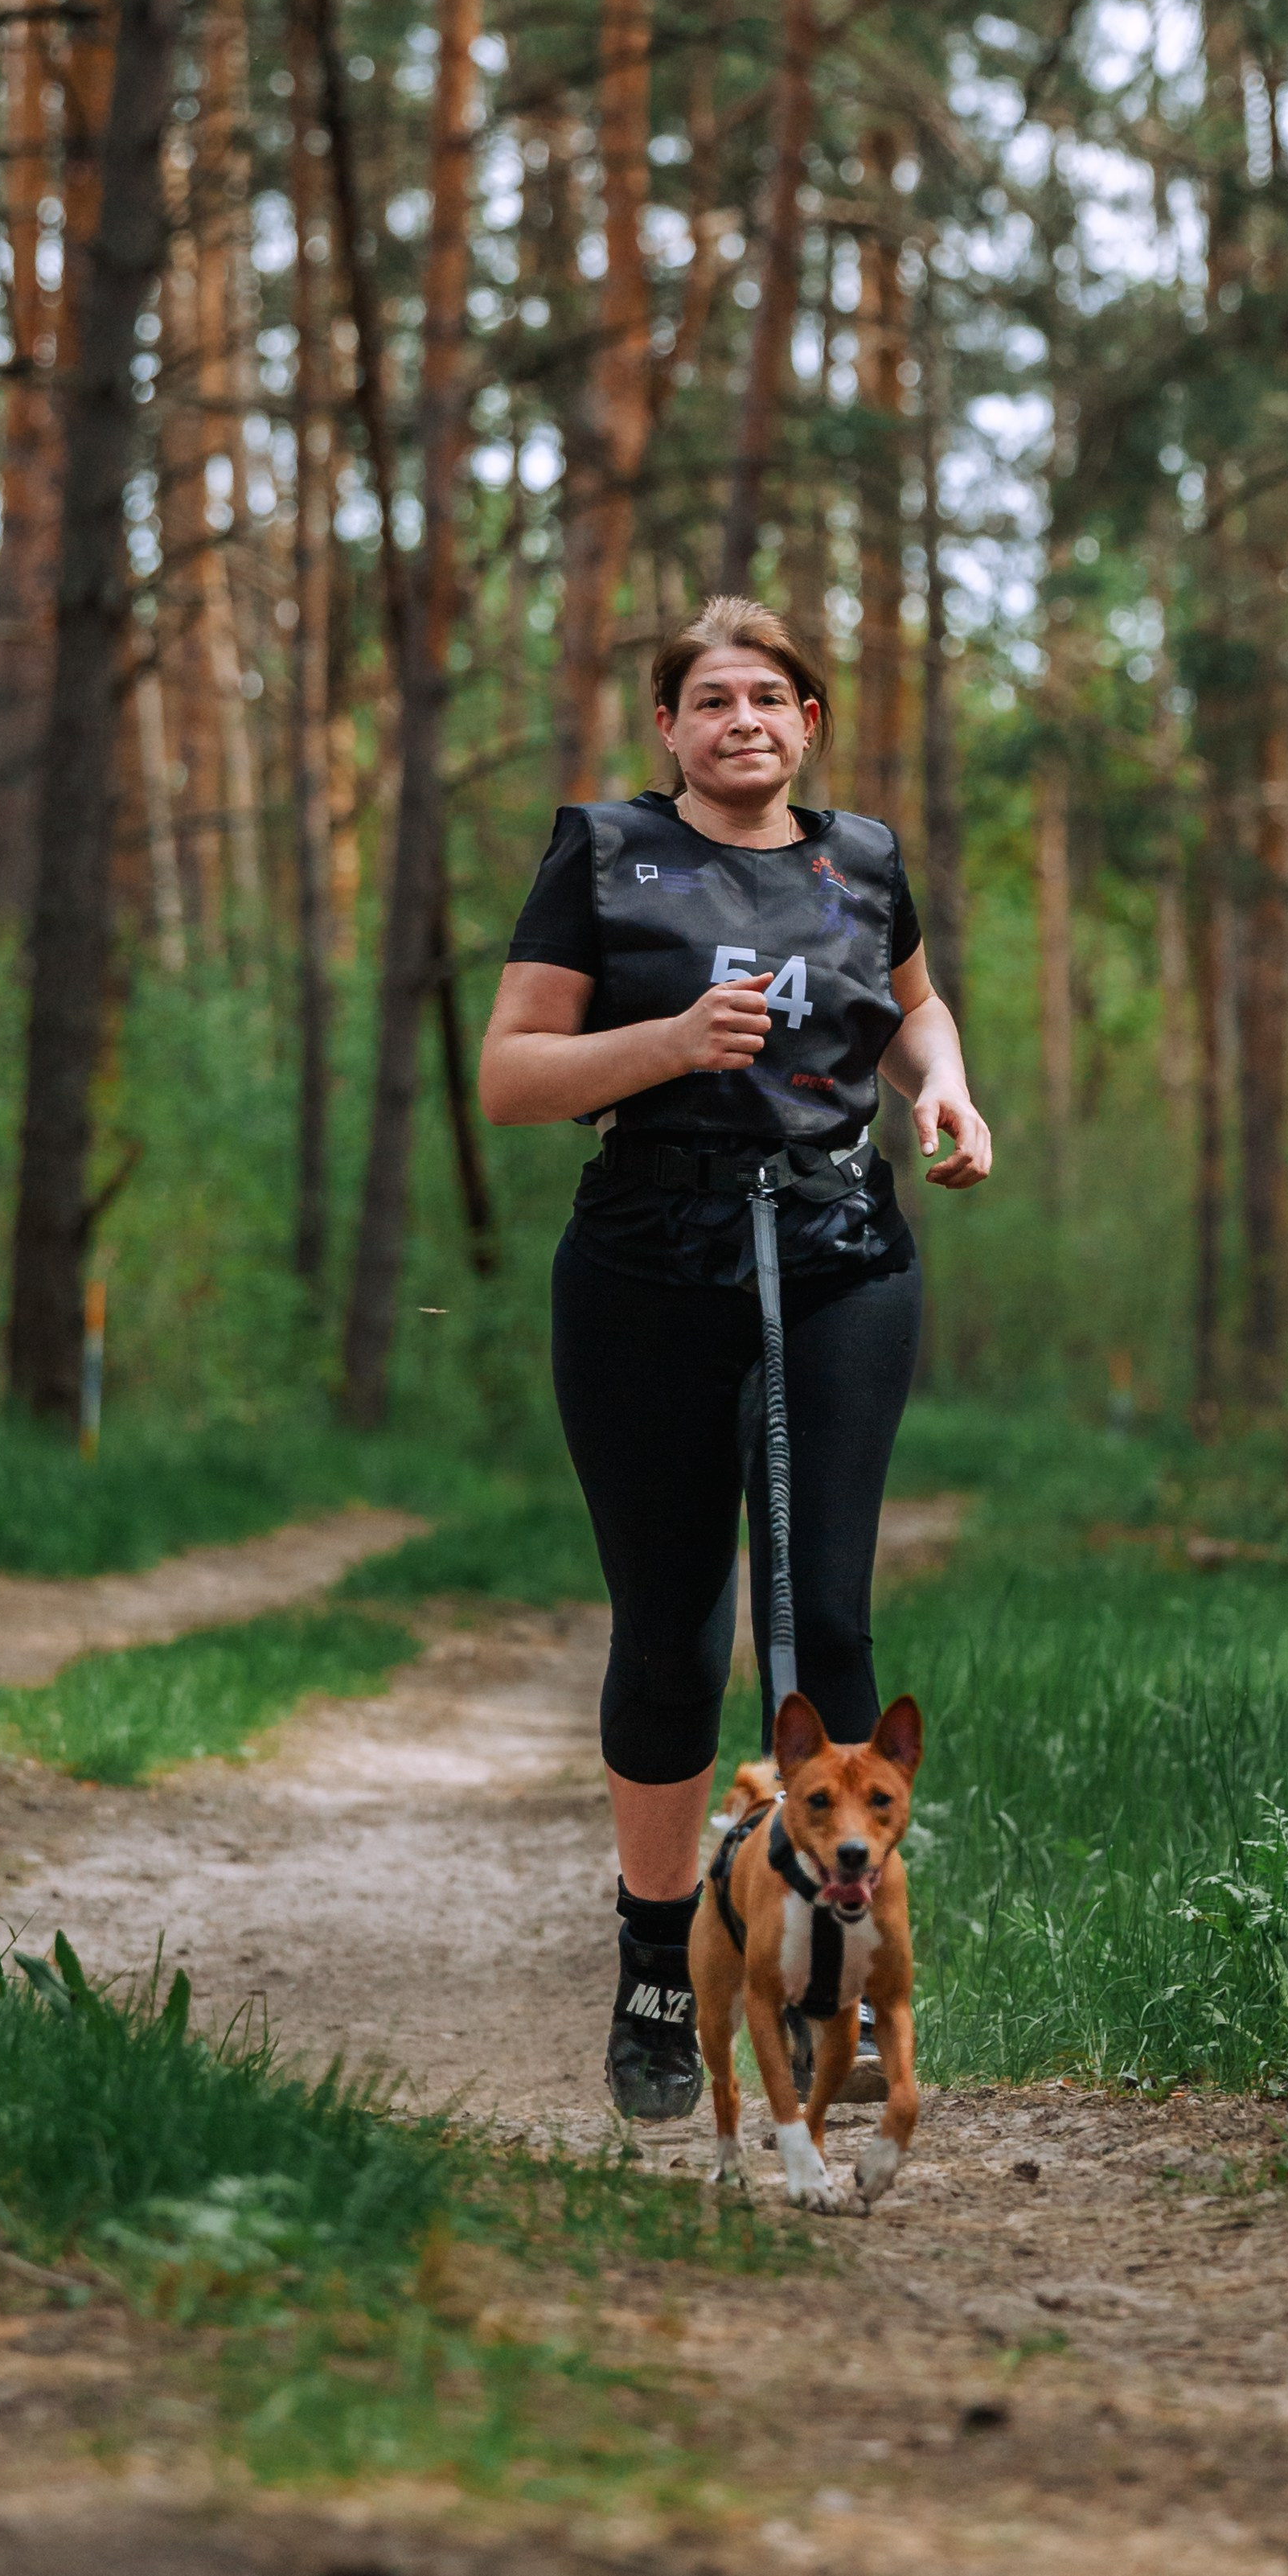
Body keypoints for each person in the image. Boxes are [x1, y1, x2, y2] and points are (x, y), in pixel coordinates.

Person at [478, 596, 992, 2123]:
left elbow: (911, 1014)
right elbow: (512, 1075)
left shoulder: (864, 861)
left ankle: (835, 1956)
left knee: (827, 1624)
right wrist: (669, 1043)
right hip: (649, 1264)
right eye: (712, 700)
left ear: (810, 721)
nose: (744, 720)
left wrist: (945, 1091)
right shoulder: (604, 856)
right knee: (674, 1635)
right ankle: (658, 1952)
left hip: (840, 1258)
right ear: (672, 730)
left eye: (770, 695)